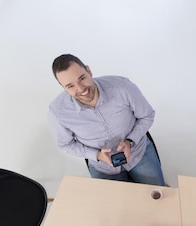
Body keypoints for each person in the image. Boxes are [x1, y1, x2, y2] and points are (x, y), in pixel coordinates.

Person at [48, 54, 165, 186]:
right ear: (62, 87)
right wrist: (96, 155)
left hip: (138, 154)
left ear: (89, 70)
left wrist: (130, 141)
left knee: (158, 197)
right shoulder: (58, 112)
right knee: (114, 206)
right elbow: (65, 144)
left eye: (82, 78)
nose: (81, 89)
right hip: (102, 166)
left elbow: (147, 115)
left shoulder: (123, 87)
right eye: (70, 86)